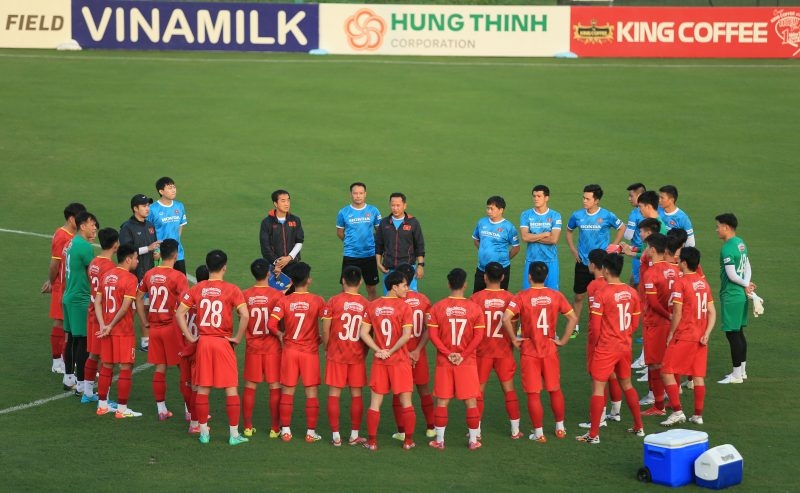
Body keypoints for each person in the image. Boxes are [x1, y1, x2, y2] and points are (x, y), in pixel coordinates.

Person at [176, 250, 250, 445]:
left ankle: (203, 434)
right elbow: (245, 315)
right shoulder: (232, 289)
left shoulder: (197, 289)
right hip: (223, 342)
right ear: (224, 267)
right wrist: (238, 338)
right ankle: (234, 435)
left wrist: (190, 337)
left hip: (204, 343)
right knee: (231, 388)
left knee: (203, 388)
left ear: (208, 267)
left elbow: (179, 313)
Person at [504, 262, 577, 442]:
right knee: (555, 390)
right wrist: (563, 340)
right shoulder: (555, 295)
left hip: (530, 351)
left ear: (529, 277)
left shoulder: (521, 296)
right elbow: (573, 318)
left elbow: (506, 318)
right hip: (550, 349)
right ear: (546, 277)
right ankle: (560, 428)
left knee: (533, 393)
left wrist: (513, 338)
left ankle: (539, 433)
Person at [576, 254, 644, 444]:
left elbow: (595, 326)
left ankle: (593, 434)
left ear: (605, 270)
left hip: (606, 347)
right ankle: (639, 426)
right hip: (624, 346)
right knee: (627, 384)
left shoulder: (602, 293)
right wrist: (625, 335)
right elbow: (635, 322)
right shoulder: (632, 292)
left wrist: (596, 345)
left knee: (598, 388)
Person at [426, 268, 485, 450]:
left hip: (445, 362)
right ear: (465, 284)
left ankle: (440, 441)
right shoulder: (475, 308)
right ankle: (473, 441)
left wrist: (447, 353)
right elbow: (478, 337)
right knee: (471, 401)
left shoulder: (437, 307)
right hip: (466, 362)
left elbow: (433, 336)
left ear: (448, 284)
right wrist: (463, 355)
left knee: (442, 401)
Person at [267, 262, 326, 443]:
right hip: (310, 352)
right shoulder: (318, 300)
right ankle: (310, 433)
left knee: (287, 391)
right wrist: (322, 338)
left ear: (291, 281)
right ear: (309, 280)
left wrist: (280, 335)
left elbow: (271, 324)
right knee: (311, 392)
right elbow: (327, 323)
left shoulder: (284, 301)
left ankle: (285, 431)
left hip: (290, 351)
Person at [358, 271, 416, 451]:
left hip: (380, 361)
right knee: (406, 402)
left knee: (375, 402)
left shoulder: (373, 306)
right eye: (404, 285)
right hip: (400, 360)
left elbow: (363, 333)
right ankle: (408, 441)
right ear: (394, 287)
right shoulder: (405, 307)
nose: (407, 289)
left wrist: (379, 350)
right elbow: (406, 336)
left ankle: (372, 442)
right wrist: (390, 351)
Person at [660, 247, 716, 426]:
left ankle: (677, 411)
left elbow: (677, 313)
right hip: (700, 336)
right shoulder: (703, 283)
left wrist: (671, 333)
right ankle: (698, 415)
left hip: (685, 334)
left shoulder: (681, 283)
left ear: (684, 263)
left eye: (679, 259)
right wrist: (707, 333)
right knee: (698, 376)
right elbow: (712, 312)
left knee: (666, 371)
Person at [135, 239, 189, 420]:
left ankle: (161, 410)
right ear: (175, 255)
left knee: (160, 368)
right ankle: (190, 411)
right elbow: (186, 304)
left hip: (155, 329)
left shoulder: (149, 274)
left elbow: (138, 297)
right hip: (171, 328)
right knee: (184, 368)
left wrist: (144, 321)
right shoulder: (178, 277)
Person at [566, 184, 625, 339]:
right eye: (583, 198)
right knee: (579, 296)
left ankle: (605, 323)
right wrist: (573, 250)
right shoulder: (577, 215)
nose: (584, 201)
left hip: (600, 264)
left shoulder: (607, 215)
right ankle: (574, 326)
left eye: (588, 199)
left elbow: (622, 227)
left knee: (605, 294)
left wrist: (613, 246)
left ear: (596, 200)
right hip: (583, 262)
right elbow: (569, 231)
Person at [469, 262, 521, 439]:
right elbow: (514, 324)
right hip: (504, 351)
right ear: (503, 277)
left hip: (482, 351)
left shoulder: (475, 299)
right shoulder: (511, 298)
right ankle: (515, 430)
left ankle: (476, 432)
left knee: (478, 392)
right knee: (509, 390)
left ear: (484, 277)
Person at [321, 266, 370, 446]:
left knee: (334, 394)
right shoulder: (367, 304)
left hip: (336, 355)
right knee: (356, 395)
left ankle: (336, 437)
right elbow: (369, 334)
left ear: (343, 280)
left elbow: (325, 330)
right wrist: (365, 352)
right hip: (357, 356)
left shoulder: (333, 301)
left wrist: (327, 348)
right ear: (361, 282)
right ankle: (354, 435)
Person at [578, 249, 624, 429]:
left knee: (597, 377)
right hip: (617, 336)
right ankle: (616, 412)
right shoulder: (614, 283)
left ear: (593, 265)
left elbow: (595, 315)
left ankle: (600, 418)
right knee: (612, 374)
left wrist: (594, 340)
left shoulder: (593, 286)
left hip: (600, 337)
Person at [94, 243, 142, 418]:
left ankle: (102, 406)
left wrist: (103, 325)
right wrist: (111, 325)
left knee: (106, 366)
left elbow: (97, 302)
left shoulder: (106, 275)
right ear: (128, 259)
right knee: (126, 367)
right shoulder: (130, 279)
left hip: (106, 330)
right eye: (136, 258)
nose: (137, 261)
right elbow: (124, 307)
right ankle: (122, 410)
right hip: (123, 331)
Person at [241, 259, 285, 439]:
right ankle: (275, 428)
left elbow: (242, 318)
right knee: (274, 386)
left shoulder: (245, 295)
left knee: (250, 386)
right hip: (273, 347)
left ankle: (247, 427)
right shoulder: (278, 295)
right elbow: (281, 321)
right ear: (268, 273)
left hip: (253, 346)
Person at [392, 263, 435, 440]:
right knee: (424, 390)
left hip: (400, 354)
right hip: (419, 354)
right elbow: (429, 328)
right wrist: (417, 350)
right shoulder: (424, 300)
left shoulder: (396, 302)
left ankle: (402, 432)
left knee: (398, 393)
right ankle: (431, 428)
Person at [42, 202, 86, 374]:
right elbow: (55, 264)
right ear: (71, 219)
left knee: (70, 324)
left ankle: (66, 358)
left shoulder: (75, 235)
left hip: (72, 284)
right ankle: (57, 362)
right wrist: (52, 282)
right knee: (61, 322)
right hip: (63, 285)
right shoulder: (62, 236)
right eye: (81, 219)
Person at [639, 233, 680, 416]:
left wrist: (668, 315)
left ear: (653, 250)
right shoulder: (675, 269)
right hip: (673, 323)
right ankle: (673, 400)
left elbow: (654, 303)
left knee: (655, 365)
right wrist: (674, 316)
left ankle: (659, 406)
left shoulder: (651, 273)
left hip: (656, 324)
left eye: (648, 247)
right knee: (671, 363)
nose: (646, 250)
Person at [61, 211, 99, 394]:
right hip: (80, 298)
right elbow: (94, 271)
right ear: (82, 226)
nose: (95, 228)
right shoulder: (84, 246)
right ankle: (82, 384)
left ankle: (69, 377)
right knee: (83, 341)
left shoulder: (71, 242)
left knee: (72, 339)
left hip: (69, 295)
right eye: (92, 224)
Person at [715, 213, 755, 384]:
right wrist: (746, 284)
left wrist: (745, 284)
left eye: (718, 226)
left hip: (732, 295)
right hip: (741, 295)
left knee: (732, 335)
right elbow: (747, 266)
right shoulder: (740, 243)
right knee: (739, 333)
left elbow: (731, 275)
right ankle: (742, 371)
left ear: (726, 227)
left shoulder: (727, 248)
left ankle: (736, 375)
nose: (716, 230)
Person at [81, 227, 119, 404]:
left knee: (93, 355)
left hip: (91, 315)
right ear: (115, 244)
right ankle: (105, 399)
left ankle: (88, 393)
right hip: (103, 318)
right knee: (106, 359)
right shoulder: (110, 267)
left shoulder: (94, 262)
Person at [120, 194, 161, 352]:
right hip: (132, 275)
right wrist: (148, 249)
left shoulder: (150, 225)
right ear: (135, 208)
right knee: (132, 309)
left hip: (147, 273)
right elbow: (126, 251)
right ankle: (122, 337)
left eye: (148, 205)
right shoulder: (127, 227)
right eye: (144, 206)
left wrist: (156, 253)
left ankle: (145, 340)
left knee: (146, 307)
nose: (147, 208)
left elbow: (153, 246)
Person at [336, 182, 382, 300]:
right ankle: (344, 309)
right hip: (351, 255)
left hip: (369, 255)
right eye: (355, 193)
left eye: (361, 193)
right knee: (346, 289)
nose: (358, 196)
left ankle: (370, 311)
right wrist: (350, 242)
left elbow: (380, 231)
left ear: (365, 194)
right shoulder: (343, 212)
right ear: (351, 194)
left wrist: (372, 242)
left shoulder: (373, 210)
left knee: (371, 288)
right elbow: (340, 232)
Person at [375, 192, 425, 292]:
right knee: (390, 298)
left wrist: (420, 265)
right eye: (393, 205)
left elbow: (419, 245)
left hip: (408, 269)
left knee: (409, 298)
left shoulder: (413, 222)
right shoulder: (384, 223)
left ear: (404, 205)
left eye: (398, 205)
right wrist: (378, 263)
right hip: (389, 269)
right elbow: (379, 245)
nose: (395, 208)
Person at [180, 264, 209, 434]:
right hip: (199, 347)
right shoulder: (207, 299)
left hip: (186, 345)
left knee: (188, 384)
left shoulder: (187, 295)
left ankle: (191, 416)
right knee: (198, 388)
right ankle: (195, 422)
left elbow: (178, 316)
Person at [472, 196, 520, 293]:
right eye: (488, 208)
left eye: (492, 209)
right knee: (477, 297)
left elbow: (516, 247)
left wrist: (504, 258)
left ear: (501, 210)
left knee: (500, 298)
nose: (489, 211)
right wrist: (484, 250)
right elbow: (476, 239)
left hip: (500, 270)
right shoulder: (482, 222)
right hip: (482, 269)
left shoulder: (508, 227)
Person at [519, 185, 562, 290]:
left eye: (539, 196)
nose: (536, 199)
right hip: (531, 260)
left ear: (546, 198)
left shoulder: (555, 215)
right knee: (529, 294)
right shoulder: (526, 215)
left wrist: (532, 237)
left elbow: (553, 239)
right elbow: (524, 237)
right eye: (534, 196)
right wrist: (543, 234)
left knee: (552, 294)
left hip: (550, 261)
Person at [148, 177, 188, 275]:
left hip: (178, 254)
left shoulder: (179, 206)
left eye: (174, 187)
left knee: (181, 282)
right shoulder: (152, 209)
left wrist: (175, 243)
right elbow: (148, 232)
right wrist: (156, 250)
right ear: (161, 191)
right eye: (170, 188)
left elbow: (180, 226)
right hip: (161, 255)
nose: (173, 190)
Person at [260, 189, 304, 278]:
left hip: (293, 263)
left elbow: (299, 241)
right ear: (275, 203)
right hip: (274, 266)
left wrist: (289, 258)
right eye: (283, 201)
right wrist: (277, 263)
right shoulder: (267, 222)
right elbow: (265, 247)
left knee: (293, 287)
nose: (287, 204)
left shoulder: (295, 220)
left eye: (288, 200)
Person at [623, 183, 646, 288]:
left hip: (638, 253)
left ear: (640, 196)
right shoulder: (656, 210)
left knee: (636, 284)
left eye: (631, 196)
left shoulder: (635, 213)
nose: (629, 199)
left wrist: (625, 228)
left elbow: (628, 236)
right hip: (652, 253)